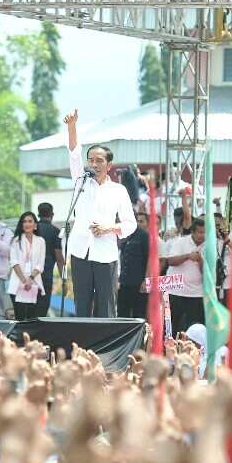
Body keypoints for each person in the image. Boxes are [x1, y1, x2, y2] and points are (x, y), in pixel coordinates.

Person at [63, 110, 137, 318]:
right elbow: (74, 154)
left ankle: (106, 340)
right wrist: (72, 127)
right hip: (80, 251)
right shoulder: (81, 181)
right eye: (91, 160)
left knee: (106, 307)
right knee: (82, 306)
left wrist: (109, 228)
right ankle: (81, 339)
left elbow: (130, 223)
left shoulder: (118, 190)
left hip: (106, 254)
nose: (94, 164)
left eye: (99, 160)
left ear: (109, 165)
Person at [167, 218, 209, 335]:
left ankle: (190, 346)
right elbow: (171, 261)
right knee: (173, 323)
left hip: (196, 292)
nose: (202, 235)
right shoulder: (180, 242)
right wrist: (187, 256)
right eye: (200, 232)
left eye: (205, 232)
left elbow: (207, 273)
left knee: (193, 325)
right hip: (176, 290)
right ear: (192, 232)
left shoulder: (208, 246)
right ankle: (169, 345)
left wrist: (201, 262)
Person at [8, 211, 47, 321]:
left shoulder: (41, 241)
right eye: (24, 222)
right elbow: (14, 262)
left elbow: (41, 264)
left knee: (32, 317)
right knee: (19, 317)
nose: (27, 224)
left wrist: (30, 279)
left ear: (35, 225)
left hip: (34, 281)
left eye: (30, 221)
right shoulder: (15, 240)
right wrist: (24, 281)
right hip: (18, 281)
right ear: (21, 225)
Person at [117, 212, 150, 319]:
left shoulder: (144, 235)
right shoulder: (123, 235)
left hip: (138, 283)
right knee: (122, 314)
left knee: (138, 314)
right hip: (124, 282)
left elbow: (150, 258)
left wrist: (146, 280)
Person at [34, 202, 65, 318]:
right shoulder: (55, 232)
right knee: (41, 311)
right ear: (52, 215)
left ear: (38, 215)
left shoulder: (32, 229)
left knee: (30, 311)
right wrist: (64, 281)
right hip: (45, 276)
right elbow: (59, 259)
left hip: (29, 275)